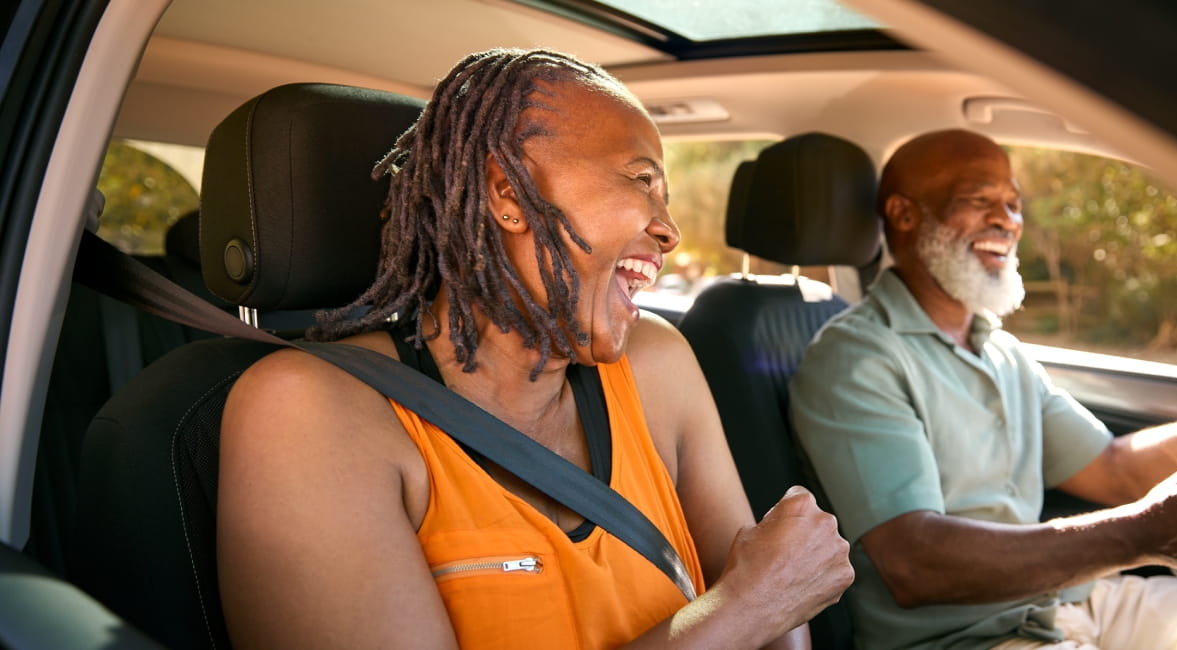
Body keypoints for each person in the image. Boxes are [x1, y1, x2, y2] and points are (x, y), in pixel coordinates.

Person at [216, 49, 852, 649]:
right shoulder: (309, 412)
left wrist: (764, 600)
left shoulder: (656, 363)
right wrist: (743, 606)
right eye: (640, 179)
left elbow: (778, 617)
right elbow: (763, 602)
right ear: (509, 195)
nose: (669, 230)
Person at [789, 129, 1177, 650]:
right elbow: (916, 563)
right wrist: (1142, 536)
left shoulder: (1001, 350)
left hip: (1068, 601)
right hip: (971, 639)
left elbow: (1115, 468)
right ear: (904, 214)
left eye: (1013, 204)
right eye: (980, 200)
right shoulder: (858, 358)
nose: (1007, 220)